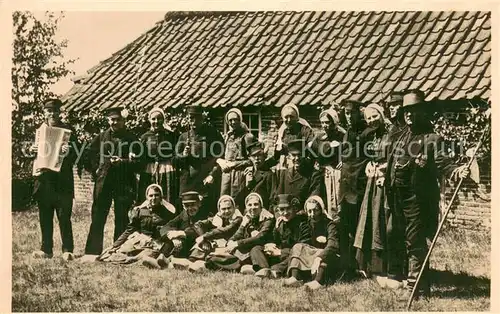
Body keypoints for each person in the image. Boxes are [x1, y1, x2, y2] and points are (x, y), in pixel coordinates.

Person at [385, 89, 471, 299]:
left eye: (414, 111)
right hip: (398, 197)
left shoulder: (432, 139)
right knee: (401, 238)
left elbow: (444, 163)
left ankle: (415, 289)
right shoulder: (402, 136)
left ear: (423, 111)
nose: (409, 115)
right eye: (406, 111)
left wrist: (457, 171)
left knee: (415, 241)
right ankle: (415, 283)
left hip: (418, 199)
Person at [353, 103, 402, 286]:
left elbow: (398, 157)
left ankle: (387, 268)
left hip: (387, 182)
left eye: (375, 116)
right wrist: (368, 164)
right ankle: (370, 267)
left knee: (383, 221)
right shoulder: (371, 134)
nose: (372, 120)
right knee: (369, 219)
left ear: (382, 115)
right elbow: (367, 155)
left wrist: (384, 169)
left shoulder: (393, 133)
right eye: (369, 118)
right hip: (373, 181)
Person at [81, 107, 139, 261]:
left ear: (123, 121)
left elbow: (139, 162)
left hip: (124, 183)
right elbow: (87, 154)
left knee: (122, 217)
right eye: (112, 119)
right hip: (104, 182)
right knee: (98, 216)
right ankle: (93, 252)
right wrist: (96, 169)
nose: (115, 122)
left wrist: (125, 162)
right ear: (108, 120)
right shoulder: (101, 137)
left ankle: (118, 251)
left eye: (118, 119)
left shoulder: (131, 139)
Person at [30, 98, 81, 261]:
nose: (52, 114)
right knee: (45, 215)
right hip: (44, 179)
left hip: (62, 179)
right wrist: (32, 149)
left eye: (55, 111)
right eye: (49, 111)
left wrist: (69, 150)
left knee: (63, 215)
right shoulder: (39, 130)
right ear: (44, 112)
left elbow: (78, 155)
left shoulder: (68, 130)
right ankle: (46, 249)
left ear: (60, 112)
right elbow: (30, 153)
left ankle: (67, 250)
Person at [97, 184, 177, 268]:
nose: (153, 198)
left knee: (148, 254)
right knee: (121, 252)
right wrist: (114, 245)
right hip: (140, 242)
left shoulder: (167, 213)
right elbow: (129, 230)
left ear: (161, 197)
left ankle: (146, 261)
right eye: (151, 195)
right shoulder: (140, 211)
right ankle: (136, 259)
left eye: (156, 195)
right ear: (146, 197)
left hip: (155, 244)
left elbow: (171, 230)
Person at [337, 99, 369, 278]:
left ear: (359, 112)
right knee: (346, 225)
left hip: (359, 187)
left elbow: (365, 158)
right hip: (346, 187)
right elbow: (346, 154)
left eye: (351, 113)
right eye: (346, 113)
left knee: (361, 226)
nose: (349, 117)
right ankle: (347, 264)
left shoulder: (367, 132)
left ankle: (361, 265)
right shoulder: (348, 132)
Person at [205, 193, 275, 274]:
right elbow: (239, 233)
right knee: (213, 260)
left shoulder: (268, 219)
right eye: (250, 205)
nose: (253, 207)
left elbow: (260, 237)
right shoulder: (247, 218)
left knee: (254, 249)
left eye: (256, 204)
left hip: (262, 250)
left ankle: (262, 269)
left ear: (261, 206)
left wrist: (237, 243)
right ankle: (248, 267)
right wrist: (231, 241)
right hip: (246, 251)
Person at [284, 196, 342, 290]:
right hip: (312, 254)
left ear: (321, 210)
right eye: (309, 211)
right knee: (298, 246)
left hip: (325, 255)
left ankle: (318, 281)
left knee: (322, 252)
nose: (312, 214)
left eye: (315, 210)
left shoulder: (330, 224)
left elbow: (333, 245)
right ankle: (295, 278)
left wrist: (319, 258)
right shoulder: (306, 223)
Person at [175, 105, 224, 215]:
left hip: (205, 180)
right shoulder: (183, 137)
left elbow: (220, 157)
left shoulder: (213, 135)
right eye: (191, 118)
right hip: (188, 180)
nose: (194, 121)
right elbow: (176, 160)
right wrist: (183, 155)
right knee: (187, 210)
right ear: (188, 119)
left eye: (197, 118)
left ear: (202, 118)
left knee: (206, 210)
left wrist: (212, 174)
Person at [252, 194, 311, 279]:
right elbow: (276, 241)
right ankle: (265, 269)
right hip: (279, 255)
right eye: (282, 210)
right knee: (256, 249)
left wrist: (280, 252)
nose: (285, 213)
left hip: (291, 256)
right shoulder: (280, 223)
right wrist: (270, 244)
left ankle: (273, 271)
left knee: (294, 257)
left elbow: (302, 249)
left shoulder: (303, 224)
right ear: (278, 211)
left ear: (294, 209)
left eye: (288, 209)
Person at [186, 195, 243, 272]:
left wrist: (204, 237)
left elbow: (225, 230)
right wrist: (205, 241)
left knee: (228, 258)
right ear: (219, 210)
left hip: (230, 247)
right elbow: (198, 224)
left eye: (229, 208)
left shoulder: (238, 219)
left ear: (234, 208)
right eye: (223, 209)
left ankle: (205, 265)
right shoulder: (217, 218)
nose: (226, 211)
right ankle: (191, 262)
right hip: (218, 245)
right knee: (201, 246)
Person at [206, 108, 254, 199]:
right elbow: (221, 156)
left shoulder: (247, 137)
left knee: (238, 200)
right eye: (230, 120)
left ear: (240, 119)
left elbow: (252, 159)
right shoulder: (227, 137)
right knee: (224, 199)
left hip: (240, 174)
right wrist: (218, 163)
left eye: (235, 119)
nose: (233, 122)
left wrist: (234, 164)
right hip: (226, 175)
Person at [137, 107, 179, 204]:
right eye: (153, 119)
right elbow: (141, 156)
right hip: (150, 169)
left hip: (167, 169)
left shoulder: (171, 135)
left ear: (163, 120)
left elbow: (176, 152)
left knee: (167, 195)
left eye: (159, 118)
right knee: (150, 194)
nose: (156, 121)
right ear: (149, 120)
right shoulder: (145, 137)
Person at [308, 108, 346, 216]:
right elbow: (311, 151)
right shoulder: (320, 137)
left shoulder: (342, 136)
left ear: (333, 122)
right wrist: (315, 161)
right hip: (322, 173)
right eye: (322, 123)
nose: (324, 125)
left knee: (336, 201)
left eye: (327, 122)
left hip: (336, 174)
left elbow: (349, 151)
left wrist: (343, 160)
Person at [158, 191, 210, 265]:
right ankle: (162, 259)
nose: (190, 208)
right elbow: (166, 227)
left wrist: (181, 233)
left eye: (193, 205)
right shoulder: (183, 215)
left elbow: (199, 229)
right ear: (183, 206)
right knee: (170, 239)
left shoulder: (205, 213)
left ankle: (174, 261)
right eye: (186, 206)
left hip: (200, 246)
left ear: (199, 204)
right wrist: (174, 238)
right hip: (185, 246)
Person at [270, 139, 324, 209]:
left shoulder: (313, 174)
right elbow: (278, 197)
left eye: (300, 155)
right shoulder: (284, 174)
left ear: (305, 155)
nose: (297, 158)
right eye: (294, 155)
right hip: (285, 214)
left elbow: (313, 199)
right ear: (289, 156)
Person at [271, 104, 315, 169]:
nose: (289, 120)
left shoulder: (305, 130)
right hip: (287, 166)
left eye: (291, 117)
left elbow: (312, 145)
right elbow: (277, 154)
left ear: (297, 117)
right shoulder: (282, 132)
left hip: (302, 164)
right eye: (286, 117)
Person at [233, 141, 274, 210]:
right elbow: (238, 199)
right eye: (254, 156)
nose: (257, 158)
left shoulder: (269, 175)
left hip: (262, 212)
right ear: (250, 158)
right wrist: (247, 186)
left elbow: (272, 198)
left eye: (259, 155)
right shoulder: (246, 173)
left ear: (264, 156)